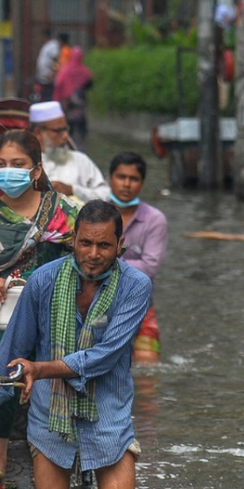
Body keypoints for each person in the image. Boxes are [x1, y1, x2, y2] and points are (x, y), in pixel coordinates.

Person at [0, 200, 153, 489]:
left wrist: (40, 368)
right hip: (51, 413)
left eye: (104, 245)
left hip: (107, 410)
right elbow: (14, 347)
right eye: (85, 243)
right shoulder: (43, 280)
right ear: (73, 239)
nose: (93, 254)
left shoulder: (135, 286)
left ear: (120, 245)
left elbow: (104, 356)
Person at [0, 129, 85, 482]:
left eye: (18, 164)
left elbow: (95, 265)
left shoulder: (67, 212)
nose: (9, 171)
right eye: (1, 164)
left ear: (36, 170)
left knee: (9, 354)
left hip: (54, 317)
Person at [104, 152, 167, 363]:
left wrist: (107, 262)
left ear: (142, 184)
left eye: (133, 179)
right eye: (121, 177)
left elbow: (150, 267)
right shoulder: (94, 214)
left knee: (148, 364)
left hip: (140, 303)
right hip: (98, 302)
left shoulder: (154, 219)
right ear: (110, 178)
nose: (126, 184)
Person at [29, 101, 109, 202]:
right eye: (58, 131)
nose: (66, 136)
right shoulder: (25, 163)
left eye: (66, 129)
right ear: (38, 132)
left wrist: (73, 190)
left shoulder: (80, 160)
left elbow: (105, 195)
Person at [53, 46, 94, 146]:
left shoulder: (65, 70)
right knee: (81, 120)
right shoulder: (84, 70)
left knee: (69, 121)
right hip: (80, 100)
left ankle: (68, 142)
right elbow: (90, 82)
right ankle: (82, 141)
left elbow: (58, 83)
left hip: (68, 100)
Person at [34, 30, 63, 100]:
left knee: (48, 97)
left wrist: (52, 74)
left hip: (48, 78)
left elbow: (56, 60)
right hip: (43, 77)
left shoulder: (52, 45)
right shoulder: (46, 46)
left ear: (46, 36)